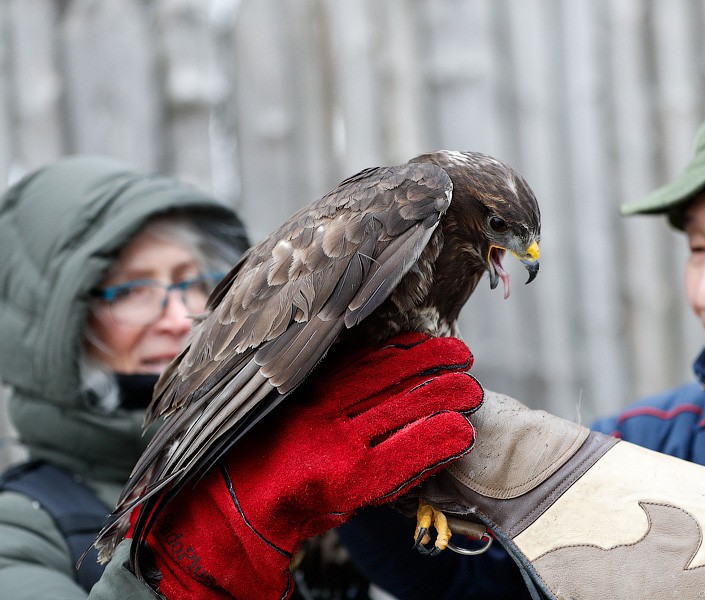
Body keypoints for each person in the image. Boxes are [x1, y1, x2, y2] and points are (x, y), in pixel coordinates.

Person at [335, 60, 705, 598]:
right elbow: (483, 580)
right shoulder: (660, 435)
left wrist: (530, 465)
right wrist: (361, 477)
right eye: (698, 248)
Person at [0, 155, 487, 600]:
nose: (178, 315)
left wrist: (393, 516)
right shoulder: (20, 530)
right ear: (59, 325)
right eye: (130, 291)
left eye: (192, 281)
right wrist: (184, 570)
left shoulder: (322, 450)